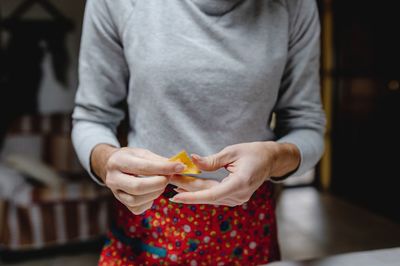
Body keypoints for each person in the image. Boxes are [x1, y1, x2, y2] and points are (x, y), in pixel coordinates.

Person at [72, 0, 326, 265]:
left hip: (247, 224)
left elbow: (306, 125)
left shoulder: (295, 5)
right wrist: (106, 163)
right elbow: (92, 117)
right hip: (148, 218)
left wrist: (273, 158)